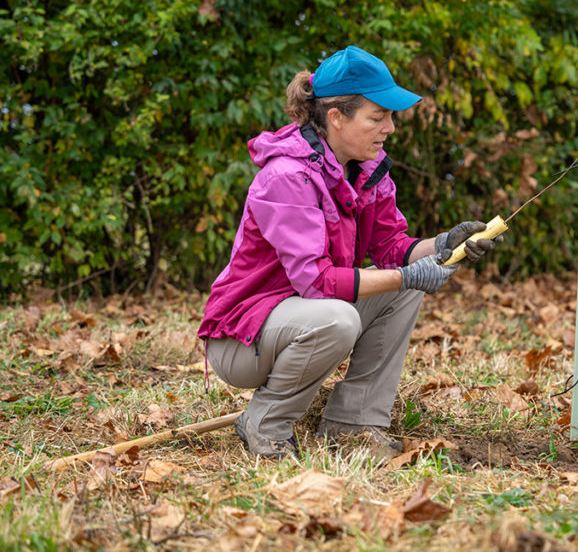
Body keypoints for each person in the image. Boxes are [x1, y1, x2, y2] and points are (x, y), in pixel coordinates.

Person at [198, 45, 497, 461]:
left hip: (299, 315)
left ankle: (353, 423)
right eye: (378, 117)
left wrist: (444, 245)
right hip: (242, 340)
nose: (389, 128)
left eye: (389, 117)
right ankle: (265, 422)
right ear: (336, 117)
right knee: (339, 317)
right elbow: (317, 282)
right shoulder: (287, 176)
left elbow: (393, 248)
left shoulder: (366, 170)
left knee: (402, 286)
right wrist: (406, 274)